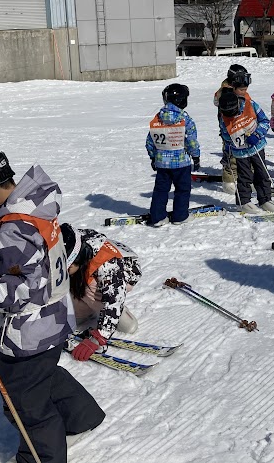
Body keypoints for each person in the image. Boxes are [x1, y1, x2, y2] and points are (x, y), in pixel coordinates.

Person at [0, 147, 105, 463]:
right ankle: (82, 416)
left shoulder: (13, 233)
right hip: (55, 319)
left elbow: (19, 293)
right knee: (42, 376)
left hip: (28, 333)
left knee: (25, 403)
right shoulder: (36, 205)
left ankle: (40, 458)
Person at [59, 224, 142, 361]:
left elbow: (113, 301)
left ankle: (121, 316)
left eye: (68, 268)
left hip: (122, 276)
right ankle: (85, 309)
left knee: (128, 326)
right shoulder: (70, 241)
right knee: (77, 299)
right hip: (89, 274)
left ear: (76, 261)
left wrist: (98, 338)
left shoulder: (108, 266)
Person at [146, 83, 200, 227]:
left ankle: (157, 217)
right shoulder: (185, 119)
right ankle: (180, 216)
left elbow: (150, 140)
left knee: (160, 190)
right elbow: (191, 140)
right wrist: (196, 156)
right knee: (182, 189)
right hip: (181, 163)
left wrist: (153, 157)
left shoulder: (158, 118)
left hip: (162, 163)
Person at [217, 87, 274, 214]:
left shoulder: (251, 105)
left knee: (262, 173)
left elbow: (265, 121)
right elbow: (225, 135)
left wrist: (258, 134)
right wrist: (228, 149)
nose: (230, 116)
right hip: (240, 152)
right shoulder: (224, 117)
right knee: (244, 176)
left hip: (256, 147)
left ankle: (265, 199)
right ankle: (243, 201)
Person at [213, 65, 250, 195]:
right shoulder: (226, 91)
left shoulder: (237, 88)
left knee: (245, 151)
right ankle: (228, 180)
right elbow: (217, 102)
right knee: (231, 154)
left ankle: (245, 176)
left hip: (243, 125)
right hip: (229, 127)